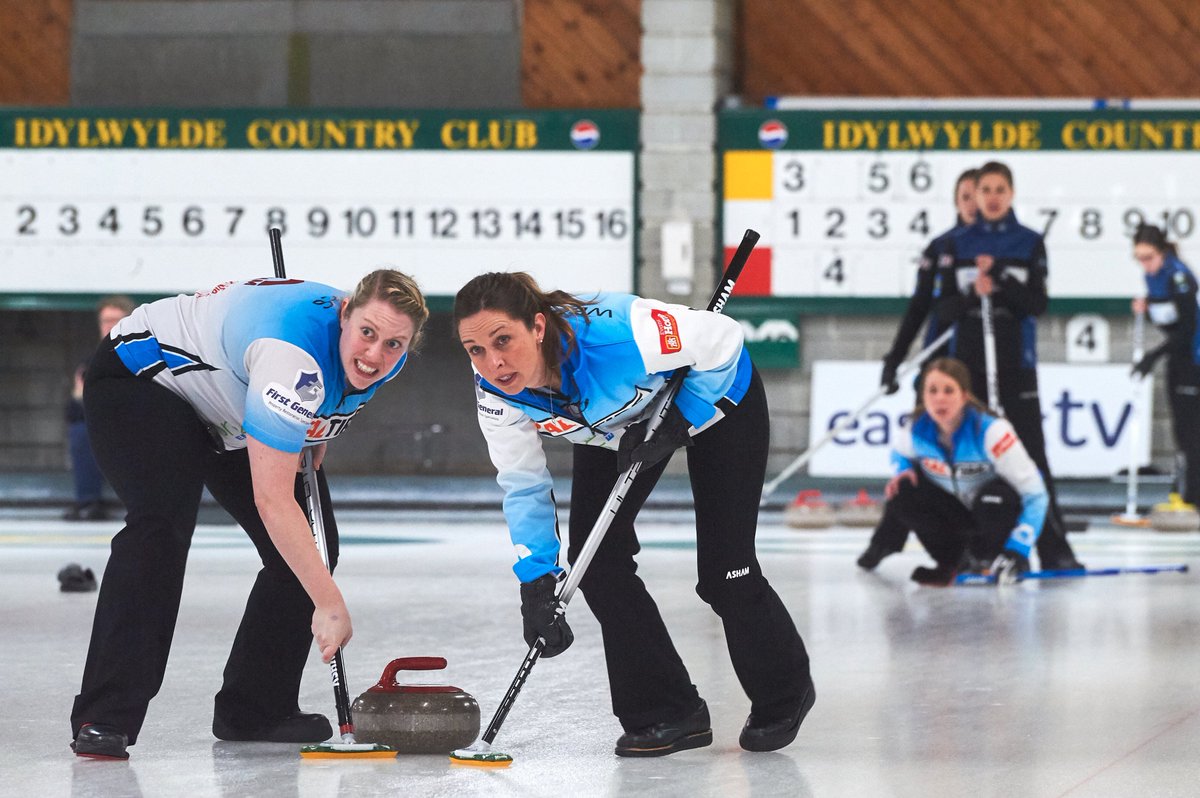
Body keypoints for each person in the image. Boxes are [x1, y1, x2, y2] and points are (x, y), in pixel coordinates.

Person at [69, 270, 429, 760]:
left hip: (232, 402)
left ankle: (255, 709)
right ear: (345, 313)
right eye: (367, 332)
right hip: (147, 376)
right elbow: (272, 499)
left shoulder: (378, 358)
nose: (375, 354)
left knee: (311, 548)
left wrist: (314, 428)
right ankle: (104, 715)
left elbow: (329, 396)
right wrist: (328, 603)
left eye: (394, 344)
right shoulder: (291, 358)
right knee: (160, 526)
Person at [453, 273, 814, 757]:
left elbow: (722, 339)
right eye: (475, 350)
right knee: (597, 566)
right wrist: (536, 577)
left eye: (503, 341)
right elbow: (523, 484)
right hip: (614, 424)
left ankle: (784, 693)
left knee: (726, 572)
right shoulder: (495, 390)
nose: (493, 362)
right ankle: (670, 711)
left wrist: (683, 416)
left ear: (537, 327)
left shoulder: (622, 335)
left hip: (716, 400)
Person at [930, 160, 1082, 571]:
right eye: (986, 190)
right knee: (968, 458)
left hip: (1015, 365)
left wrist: (1000, 277)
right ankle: (975, 548)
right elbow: (942, 310)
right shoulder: (955, 243)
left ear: (1011, 194)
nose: (993, 198)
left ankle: (1053, 548)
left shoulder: (1029, 242)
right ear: (975, 194)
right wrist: (971, 295)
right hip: (969, 368)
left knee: (1031, 456)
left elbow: (1036, 304)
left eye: (1000, 190)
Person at [859, 168, 979, 570]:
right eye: (965, 196)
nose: (973, 204)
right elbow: (919, 307)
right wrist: (894, 358)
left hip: (977, 368)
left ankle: (972, 541)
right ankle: (888, 538)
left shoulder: (999, 251)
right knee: (920, 453)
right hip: (938, 366)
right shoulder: (941, 247)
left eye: (977, 196)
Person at [886, 358, 1048, 586]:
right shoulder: (916, 428)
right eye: (932, 391)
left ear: (964, 396)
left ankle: (992, 557)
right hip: (958, 511)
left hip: (996, 509)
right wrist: (902, 470)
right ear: (923, 396)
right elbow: (898, 453)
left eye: (948, 390)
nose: (939, 398)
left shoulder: (992, 431)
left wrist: (1019, 548)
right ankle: (953, 563)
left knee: (993, 497)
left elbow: (1036, 494)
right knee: (903, 492)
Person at [1130, 223, 1200, 507]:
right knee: (1180, 429)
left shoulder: (1179, 277)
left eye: (1149, 257)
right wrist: (1147, 308)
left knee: (1191, 429)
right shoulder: (1152, 277)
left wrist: (1152, 356)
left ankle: (1193, 496)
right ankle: (1183, 492)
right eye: (1139, 258)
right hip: (1177, 356)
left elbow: (1186, 329)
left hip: (1194, 358)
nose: (1145, 264)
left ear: (1162, 252)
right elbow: (1166, 321)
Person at [64, 295, 134, 521]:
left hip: (135, 421)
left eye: (116, 320)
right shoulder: (90, 362)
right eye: (106, 321)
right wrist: (79, 396)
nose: (110, 326)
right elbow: (72, 414)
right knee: (80, 432)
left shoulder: (141, 355)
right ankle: (88, 502)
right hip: (103, 423)